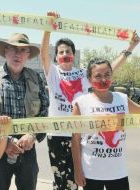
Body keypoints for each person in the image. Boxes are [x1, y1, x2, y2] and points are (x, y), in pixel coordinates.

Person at [40, 11, 140, 190]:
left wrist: (130, 48)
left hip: (81, 136)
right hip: (57, 135)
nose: (65, 54)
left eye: (68, 51)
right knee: (63, 185)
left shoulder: (83, 74)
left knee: (84, 180)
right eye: (61, 52)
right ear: (55, 57)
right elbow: (43, 55)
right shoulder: (53, 73)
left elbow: (111, 68)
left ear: (74, 54)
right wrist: (48, 27)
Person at [0, 33, 49, 190]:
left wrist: (32, 135)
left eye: (23, 50)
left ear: (28, 55)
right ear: (6, 51)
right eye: (14, 49)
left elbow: (44, 111)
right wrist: (5, 141)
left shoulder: (36, 78)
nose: (18, 54)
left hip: (27, 148)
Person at [71, 58, 140, 190]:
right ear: (90, 79)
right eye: (98, 76)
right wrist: (77, 171)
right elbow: (75, 140)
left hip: (118, 172)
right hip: (91, 172)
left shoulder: (123, 99)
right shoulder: (81, 103)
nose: (103, 80)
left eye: (107, 75)